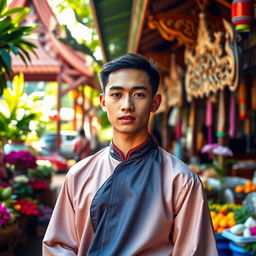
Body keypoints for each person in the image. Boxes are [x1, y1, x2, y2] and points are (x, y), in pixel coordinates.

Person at [43, 53, 218, 255]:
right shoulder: (78, 175)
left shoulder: (181, 180)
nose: (127, 105)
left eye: (139, 94)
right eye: (116, 94)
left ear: (155, 102)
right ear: (103, 101)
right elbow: (58, 246)